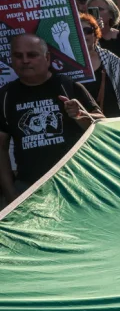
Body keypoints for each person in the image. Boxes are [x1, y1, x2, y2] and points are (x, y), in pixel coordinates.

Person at [0, 34, 102, 202]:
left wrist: (82, 115)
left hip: (78, 183)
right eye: (18, 56)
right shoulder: (5, 96)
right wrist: (11, 193)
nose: (25, 61)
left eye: (32, 55)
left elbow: (102, 126)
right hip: (31, 189)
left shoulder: (68, 86)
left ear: (47, 58)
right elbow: (1, 149)